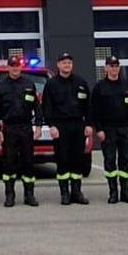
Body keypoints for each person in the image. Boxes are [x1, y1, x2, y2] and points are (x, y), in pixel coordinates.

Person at [42, 52, 91, 205]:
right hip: (60, 126)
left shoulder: (81, 83)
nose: (66, 65)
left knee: (78, 159)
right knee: (62, 160)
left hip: (78, 125)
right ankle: (64, 193)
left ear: (72, 65)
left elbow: (88, 106)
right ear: (58, 65)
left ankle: (76, 192)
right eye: (63, 62)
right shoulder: (51, 84)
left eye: (69, 62)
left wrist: (89, 124)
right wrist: (51, 125)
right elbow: (46, 106)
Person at [0, 55, 39, 207]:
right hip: (9, 129)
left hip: (25, 127)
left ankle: (29, 195)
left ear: (20, 67)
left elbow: (37, 107)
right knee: (9, 163)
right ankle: (9, 195)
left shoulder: (29, 84)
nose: (15, 68)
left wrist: (38, 125)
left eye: (17, 65)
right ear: (8, 67)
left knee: (28, 162)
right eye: (12, 65)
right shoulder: (1, 86)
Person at [90, 54, 128, 204]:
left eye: (116, 66)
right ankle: (113, 193)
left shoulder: (127, 86)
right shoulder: (99, 87)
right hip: (108, 130)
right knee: (110, 161)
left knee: (126, 160)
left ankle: (125, 192)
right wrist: (99, 129)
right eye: (111, 66)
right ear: (106, 68)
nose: (114, 69)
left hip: (124, 129)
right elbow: (94, 111)